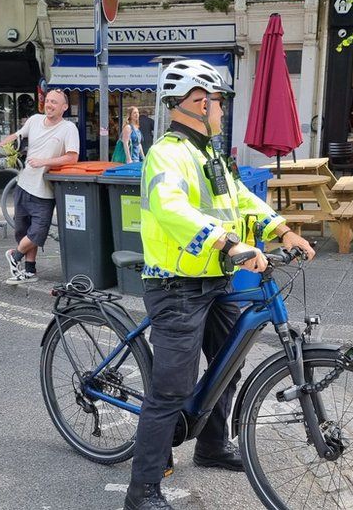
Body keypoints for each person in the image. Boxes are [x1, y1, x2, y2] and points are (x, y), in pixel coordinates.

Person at [123, 59, 315, 510]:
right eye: (219, 103)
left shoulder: (210, 155)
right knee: (171, 387)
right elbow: (170, 207)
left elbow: (241, 200)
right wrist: (227, 241)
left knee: (228, 364)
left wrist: (280, 230)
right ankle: (142, 490)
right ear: (199, 101)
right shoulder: (167, 153)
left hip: (217, 279)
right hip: (177, 284)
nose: (222, 112)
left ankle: (211, 446)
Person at [0, 90, 79, 285]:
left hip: (45, 190)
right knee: (23, 230)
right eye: (47, 101)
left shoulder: (68, 129)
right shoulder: (34, 120)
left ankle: (14, 255)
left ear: (64, 107)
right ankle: (29, 270)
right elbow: (15, 137)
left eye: (54, 102)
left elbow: (72, 156)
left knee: (38, 232)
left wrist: (44, 162)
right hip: (24, 184)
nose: (49, 105)